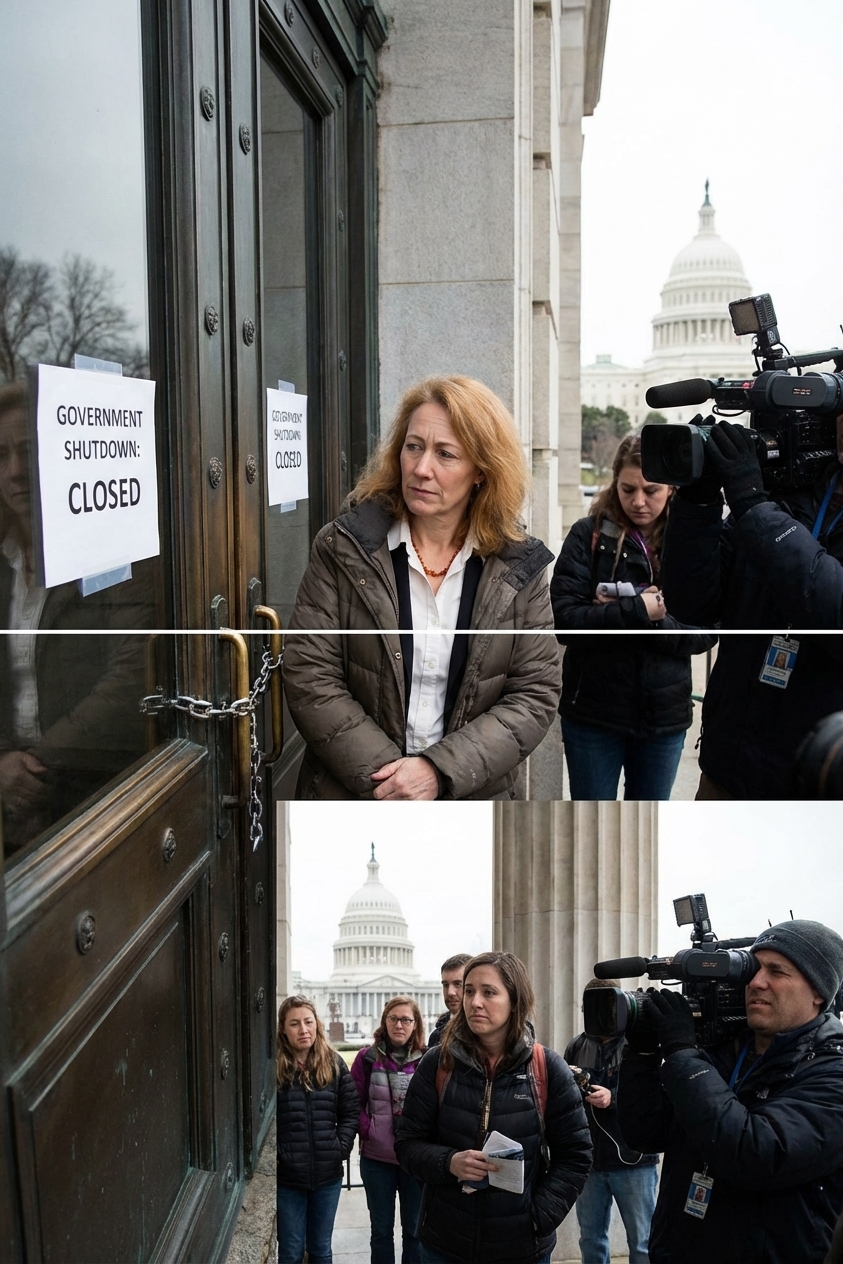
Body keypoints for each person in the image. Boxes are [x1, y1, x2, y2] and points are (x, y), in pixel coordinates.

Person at [282, 375, 562, 801]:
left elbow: (534, 694)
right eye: (413, 446)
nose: (421, 468)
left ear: (482, 472)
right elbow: (310, 674)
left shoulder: (517, 566)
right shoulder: (344, 548)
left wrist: (438, 773)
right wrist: (392, 783)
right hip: (352, 795)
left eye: (445, 454)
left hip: (471, 798)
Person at [617, 919, 843, 1264]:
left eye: (777, 972)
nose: (756, 982)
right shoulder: (725, 1051)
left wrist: (682, 1054)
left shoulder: (832, 1072)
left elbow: (756, 1152)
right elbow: (646, 1130)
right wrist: (643, 1054)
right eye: (753, 968)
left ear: (818, 992)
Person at [0, 381, 156, 853]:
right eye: (1, 454)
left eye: (29, 451)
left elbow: (130, 679)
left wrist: (29, 771)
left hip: (95, 792)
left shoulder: (113, 550)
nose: (15, 472)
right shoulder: (4, 560)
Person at [661, 417, 843, 798]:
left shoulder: (764, 506)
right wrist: (700, 502)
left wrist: (752, 502)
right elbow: (693, 605)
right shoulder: (790, 493)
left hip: (819, 784)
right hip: (728, 769)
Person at [394, 951, 592, 1264]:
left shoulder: (547, 1068)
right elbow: (407, 1144)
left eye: (489, 992)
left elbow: (576, 1155)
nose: (473, 1002)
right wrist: (449, 1162)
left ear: (515, 1000)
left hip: (521, 1247)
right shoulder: (437, 1063)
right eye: (470, 990)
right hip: (446, 1244)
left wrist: (538, 1218)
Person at [550, 434, 715, 800]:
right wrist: (640, 610)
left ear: (671, 488)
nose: (638, 502)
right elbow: (565, 623)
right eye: (627, 489)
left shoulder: (692, 540)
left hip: (664, 719)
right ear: (614, 484)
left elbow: (705, 634)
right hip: (592, 716)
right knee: (593, 830)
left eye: (651, 490)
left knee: (647, 829)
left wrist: (618, 615)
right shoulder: (587, 535)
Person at [564, 979, 658, 1264]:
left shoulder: (640, 1044)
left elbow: (655, 1093)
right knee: (591, 1239)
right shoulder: (576, 1046)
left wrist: (613, 1097)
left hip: (634, 1160)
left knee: (642, 1242)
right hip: (589, 1161)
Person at [276, 995, 359, 1264]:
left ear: (317, 1024)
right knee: (290, 1251)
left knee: (321, 1249)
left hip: (327, 1173)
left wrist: (339, 1149)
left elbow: (350, 1113)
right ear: (282, 1029)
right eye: (294, 1024)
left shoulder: (334, 1064)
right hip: (288, 1177)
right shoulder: (272, 1068)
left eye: (308, 1022)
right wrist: (280, 1155)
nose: (303, 1030)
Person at [351, 997, 427, 1263]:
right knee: (381, 1231)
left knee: (415, 1232)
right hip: (377, 1159)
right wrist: (368, 1130)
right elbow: (354, 1102)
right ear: (384, 1021)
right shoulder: (367, 1058)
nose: (399, 1025)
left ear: (415, 1024)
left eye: (406, 1019)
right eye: (393, 1018)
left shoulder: (428, 1059)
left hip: (414, 1160)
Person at [428, 953, 472, 1048]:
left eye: (458, 984)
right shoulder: (436, 1037)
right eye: (445, 985)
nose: (450, 992)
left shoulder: (488, 1034)